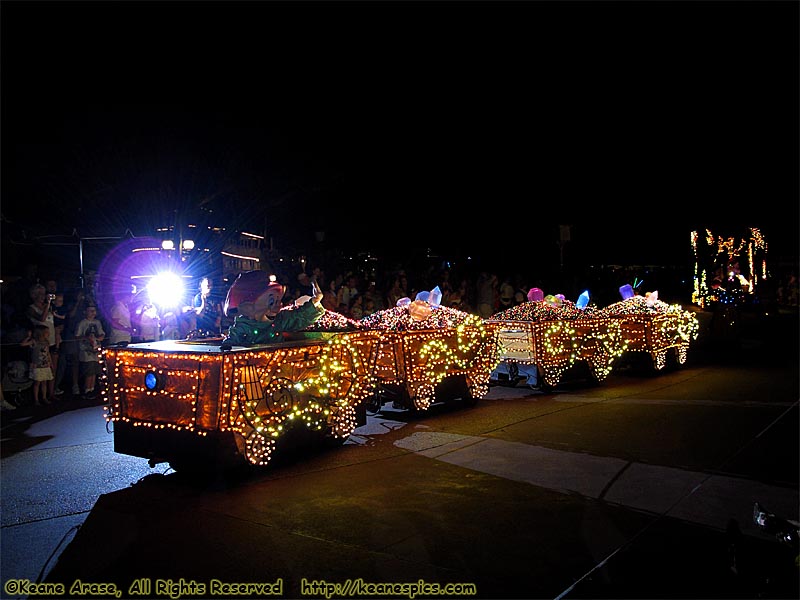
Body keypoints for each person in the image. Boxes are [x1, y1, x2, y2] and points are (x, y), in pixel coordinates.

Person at [223, 271, 325, 346]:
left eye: (278, 301)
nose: (277, 307)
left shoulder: (278, 321)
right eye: (271, 302)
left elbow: (297, 316)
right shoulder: (243, 327)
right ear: (248, 307)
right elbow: (231, 343)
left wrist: (315, 301)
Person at [75, 305, 105, 399]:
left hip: (96, 350)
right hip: (86, 351)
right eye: (90, 311)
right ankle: (87, 390)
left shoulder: (97, 322)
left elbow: (102, 334)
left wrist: (99, 338)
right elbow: (77, 336)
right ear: (85, 312)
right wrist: (87, 338)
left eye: (94, 311)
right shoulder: (82, 323)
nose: (93, 313)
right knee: (89, 371)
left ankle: (92, 389)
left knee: (95, 371)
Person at [28, 324, 55, 406]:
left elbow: (48, 354)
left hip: (45, 365)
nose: (48, 333)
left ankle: (44, 397)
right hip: (37, 366)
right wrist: (28, 337)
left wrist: (51, 364)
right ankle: (36, 399)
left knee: (44, 382)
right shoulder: (34, 342)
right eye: (46, 332)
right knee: (37, 383)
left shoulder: (46, 342)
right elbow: (23, 344)